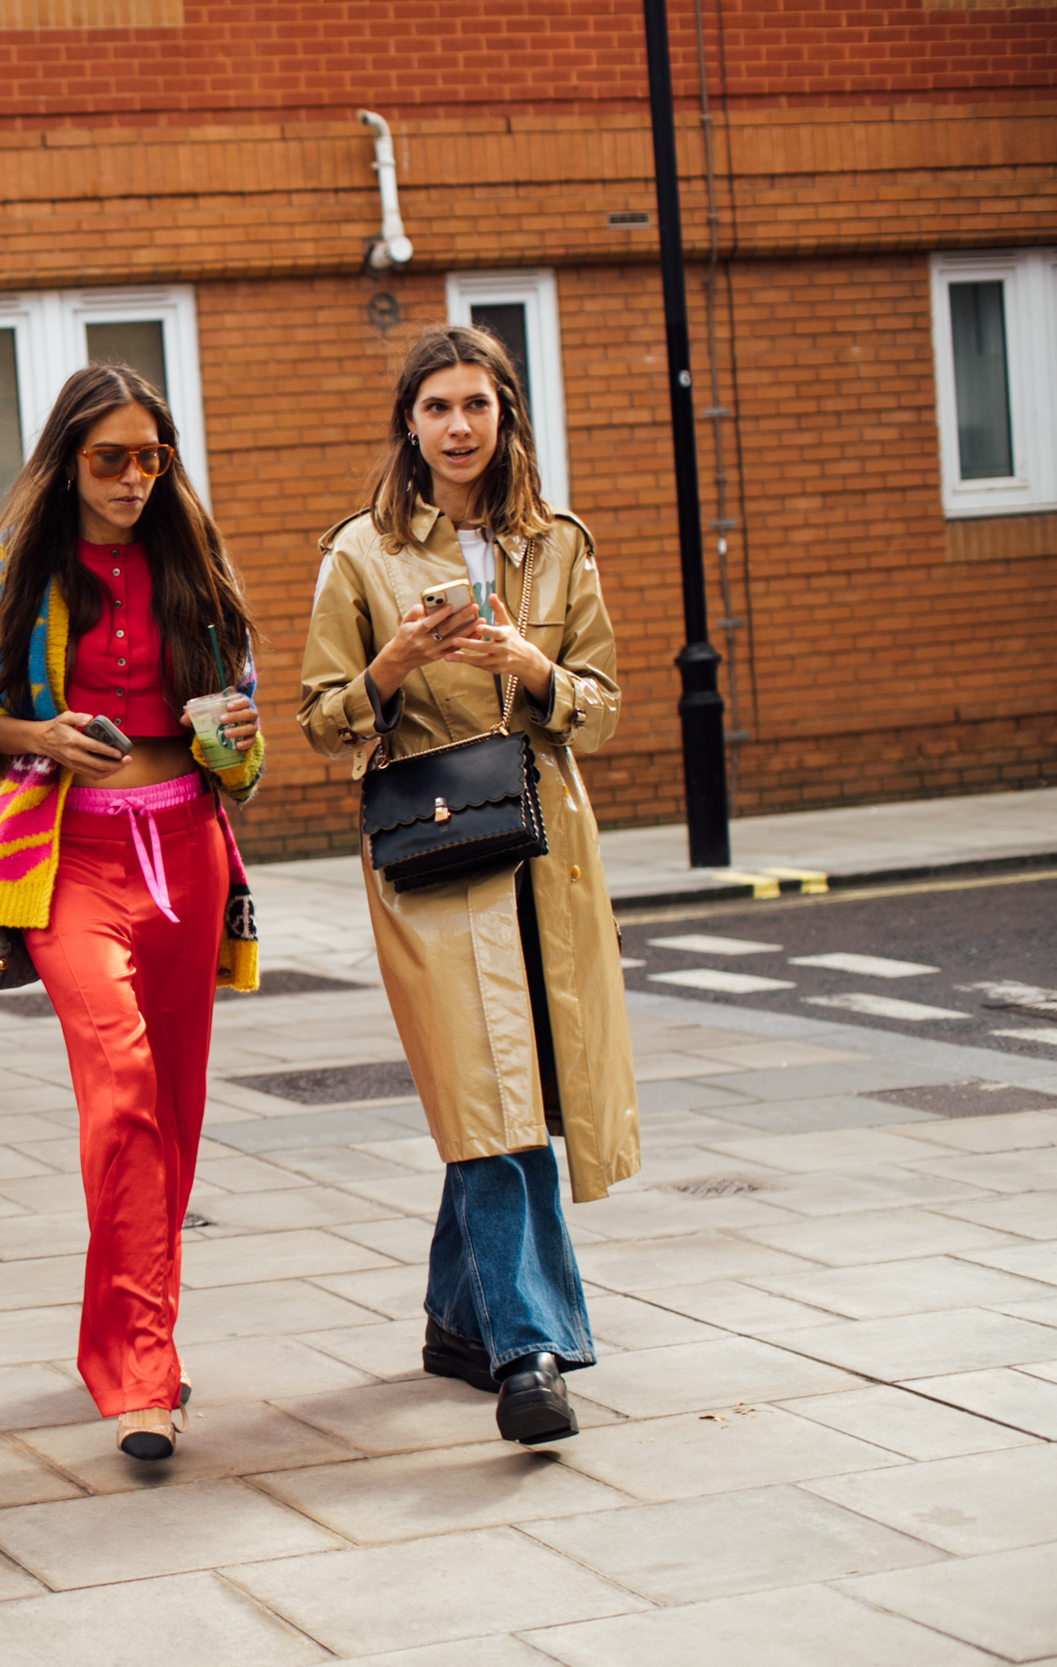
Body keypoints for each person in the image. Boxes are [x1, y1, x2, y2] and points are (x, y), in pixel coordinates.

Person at [297, 324, 638, 1447]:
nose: (457, 425)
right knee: (489, 1085)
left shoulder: (558, 544)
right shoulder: (360, 554)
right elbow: (319, 720)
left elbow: (601, 698)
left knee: (515, 1076)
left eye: (476, 405)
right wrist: (390, 668)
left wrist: (531, 668)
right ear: (409, 420)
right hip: (433, 846)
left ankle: (457, 1317)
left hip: (548, 843)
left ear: (505, 416)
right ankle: (529, 1347)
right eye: (436, 405)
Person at [0, 364, 263, 1463]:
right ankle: (142, 1374)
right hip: (67, 856)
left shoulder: (194, 562)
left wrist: (236, 731)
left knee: (171, 1111)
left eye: (149, 458)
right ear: (65, 459)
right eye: (109, 458)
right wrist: (32, 737)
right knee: (118, 1082)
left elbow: (245, 730)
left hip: (188, 851)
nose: (132, 479)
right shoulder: (8, 566)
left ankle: (128, 1334)